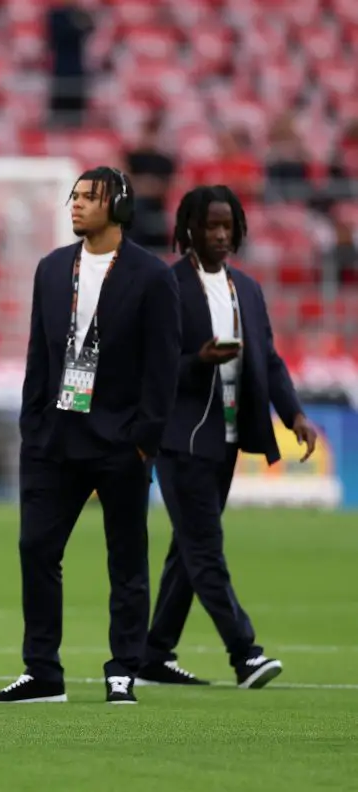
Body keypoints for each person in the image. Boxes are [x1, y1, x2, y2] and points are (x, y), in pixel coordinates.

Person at [0, 166, 181, 706]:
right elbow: (37, 358)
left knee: (126, 558)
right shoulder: (52, 270)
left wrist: (144, 439)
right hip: (55, 440)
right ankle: (42, 671)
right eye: (74, 196)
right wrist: (33, 425)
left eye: (89, 198)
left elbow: (163, 367)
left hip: (120, 442)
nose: (75, 205)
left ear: (118, 207)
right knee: (36, 548)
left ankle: (124, 666)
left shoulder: (151, 275)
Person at [137, 185, 317, 689]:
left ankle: (154, 656)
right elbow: (148, 369)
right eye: (210, 225)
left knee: (188, 551)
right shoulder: (168, 287)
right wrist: (198, 363)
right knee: (205, 550)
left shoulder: (248, 291)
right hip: (180, 440)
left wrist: (294, 413)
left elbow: (270, 359)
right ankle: (246, 653)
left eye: (226, 226)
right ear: (188, 229)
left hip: (227, 439)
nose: (219, 234)